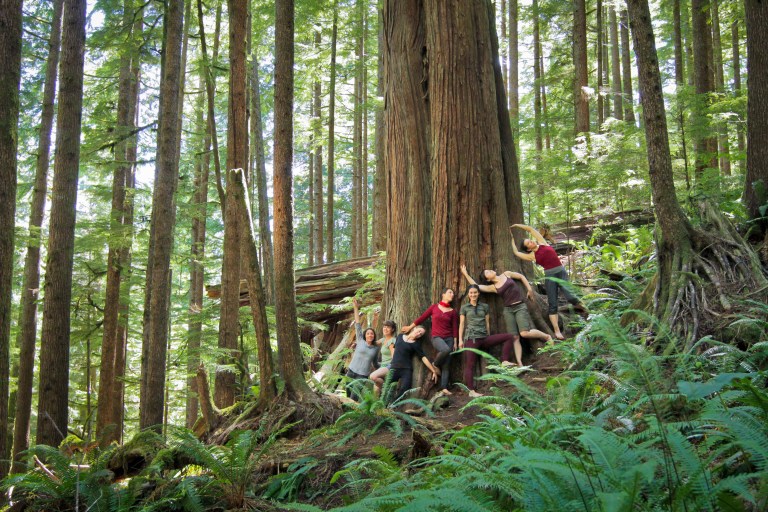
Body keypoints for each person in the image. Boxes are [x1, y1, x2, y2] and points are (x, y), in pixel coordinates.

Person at [510, 223, 586, 340]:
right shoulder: (532, 256)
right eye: (528, 243)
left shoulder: (542, 242)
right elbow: (516, 253)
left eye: (530, 240)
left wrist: (516, 226)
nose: (531, 242)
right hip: (550, 275)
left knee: (570, 296)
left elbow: (530, 229)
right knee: (552, 303)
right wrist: (511, 238)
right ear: (528, 249)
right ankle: (557, 331)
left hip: (561, 272)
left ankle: (587, 309)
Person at [460, 264, 553, 346]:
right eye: (487, 272)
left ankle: (547, 337)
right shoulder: (493, 287)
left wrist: (529, 289)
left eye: (489, 270)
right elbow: (477, 286)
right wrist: (465, 274)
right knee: (515, 337)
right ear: (488, 279)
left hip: (520, 306)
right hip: (509, 309)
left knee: (524, 333)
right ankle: (519, 363)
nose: (490, 270)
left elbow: (521, 276)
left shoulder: (506, 274)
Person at [458, 284, 521, 397]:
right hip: (471, 339)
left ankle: (505, 360)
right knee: (470, 364)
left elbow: (487, 323)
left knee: (509, 337)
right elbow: (462, 325)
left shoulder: (484, 306)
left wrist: (488, 335)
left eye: (475, 292)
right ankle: (471, 391)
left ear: (478, 293)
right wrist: (460, 340)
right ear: (468, 294)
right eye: (471, 293)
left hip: (484, 338)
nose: (473, 295)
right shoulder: (465, 307)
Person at [402, 288, 459, 394]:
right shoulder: (434, 307)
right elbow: (422, 318)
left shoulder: (453, 312)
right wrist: (410, 327)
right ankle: (435, 364)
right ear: (443, 295)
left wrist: (455, 342)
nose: (452, 294)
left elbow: (455, 327)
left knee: (447, 363)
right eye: (450, 292)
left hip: (449, 338)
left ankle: (444, 387)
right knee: (445, 350)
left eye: (453, 293)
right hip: (437, 337)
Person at [387, 326, 439, 401]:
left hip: (406, 369)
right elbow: (394, 349)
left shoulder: (416, 344)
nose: (419, 334)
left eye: (421, 334)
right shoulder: (400, 336)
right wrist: (392, 361)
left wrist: (433, 370)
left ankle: (393, 405)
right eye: (419, 331)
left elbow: (423, 358)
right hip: (394, 367)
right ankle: (383, 406)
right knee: (387, 387)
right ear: (414, 329)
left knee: (405, 388)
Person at [345, 298, 381, 400]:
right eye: (368, 333)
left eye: (372, 334)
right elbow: (357, 324)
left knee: (353, 397)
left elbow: (375, 363)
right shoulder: (360, 340)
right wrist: (356, 308)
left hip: (362, 376)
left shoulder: (375, 348)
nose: (370, 335)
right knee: (347, 396)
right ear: (365, 335)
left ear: (374, 336)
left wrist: (386, 368)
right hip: (351, 371)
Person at [369, 320, 397, 396]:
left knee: (373, 376)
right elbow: (371, 342)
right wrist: (357, 343)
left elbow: (394, 357)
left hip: (389, 366)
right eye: (384, 327)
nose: (385, 329)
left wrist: (392, 368)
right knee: (375, 394)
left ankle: (385, 388)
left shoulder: (392, 341)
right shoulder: (383, 340)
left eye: (388, 327)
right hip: (382, 366)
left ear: (393, 329)